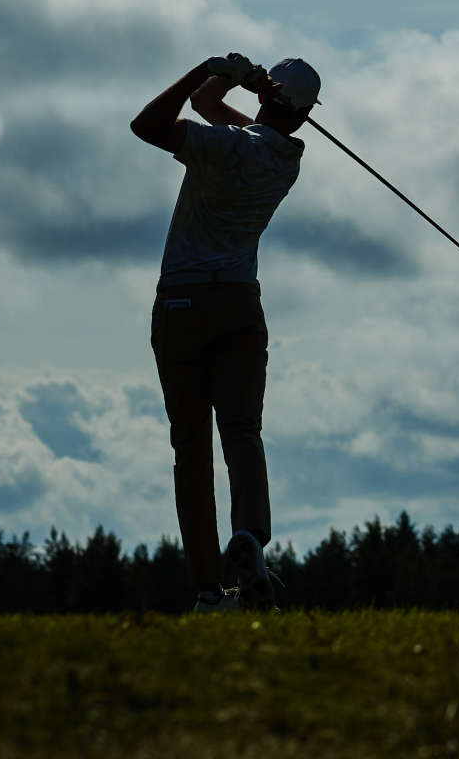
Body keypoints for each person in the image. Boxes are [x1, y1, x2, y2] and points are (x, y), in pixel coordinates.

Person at [130, 52, 321, 612]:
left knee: (191, 449)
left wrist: (206, 67)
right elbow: (210, 108)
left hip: (184, 304)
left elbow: (150, 124)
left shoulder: (223, 146)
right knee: (242, 431)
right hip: (239, 304)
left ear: (266, 97)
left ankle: (209, 591)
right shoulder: (286, 157)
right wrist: (228, 81)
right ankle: (251, 541)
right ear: (305, 116)